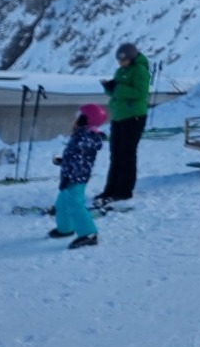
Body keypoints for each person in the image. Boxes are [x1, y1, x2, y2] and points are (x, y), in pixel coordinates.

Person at [95, 42, 150, 205]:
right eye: (119, 60)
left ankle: (124, 191)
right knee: (116, 154)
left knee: (127, 154)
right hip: (119, 117)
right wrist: (109, 88)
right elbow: (117, 91)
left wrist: (118, 88)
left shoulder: (140, 71)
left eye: (124, 60)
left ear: (131, 58)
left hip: (133, 117)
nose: (121, 63)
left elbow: (140, 92)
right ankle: (110, 189)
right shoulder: (121, 71)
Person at [50, 103, 107, 249]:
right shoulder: (81, 135)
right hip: (71, 175)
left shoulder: (84, 138)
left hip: (75, 178)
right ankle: (65, 229)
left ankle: (89, 234)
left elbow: (80, 161)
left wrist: (70, 176)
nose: (74, 119)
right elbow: (76, 157)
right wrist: (64, 162)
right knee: (62, 203)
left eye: (78, 117)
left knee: (75, 205)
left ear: (85, 120)